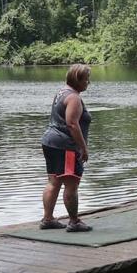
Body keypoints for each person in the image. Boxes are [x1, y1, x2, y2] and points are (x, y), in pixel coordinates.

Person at [40, 63, 93, 232]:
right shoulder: (74, 98)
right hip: (65, 146)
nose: (88, 83)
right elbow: (72, 124)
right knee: (71, 184)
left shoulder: (62, 92)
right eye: (86, 79)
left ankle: (48, 219)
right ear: (78, 80)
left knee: (54, 182)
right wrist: (83, 148)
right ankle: (74, 221)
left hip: (50, 141)